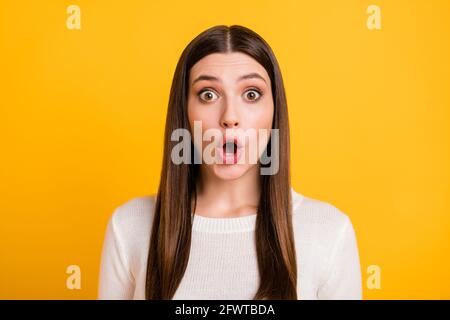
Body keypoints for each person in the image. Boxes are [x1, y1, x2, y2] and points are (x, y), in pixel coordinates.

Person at [98, 25, 362, 300]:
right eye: (208, 95)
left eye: (251, 94)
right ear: (184, 112)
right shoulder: (128, 226)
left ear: (274, 111)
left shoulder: (329, 231)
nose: (229, 116)